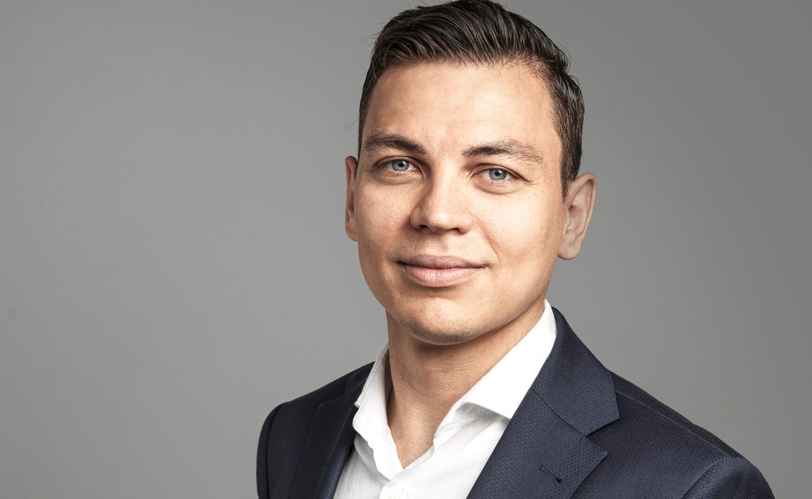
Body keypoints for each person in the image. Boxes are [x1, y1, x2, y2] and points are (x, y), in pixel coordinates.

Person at [257, 1, 774, 497]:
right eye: (400, 164)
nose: (438, 213)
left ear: (572, 216)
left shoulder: (691, 486)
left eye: (497, 173)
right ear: (352, 198)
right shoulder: (292, 436)